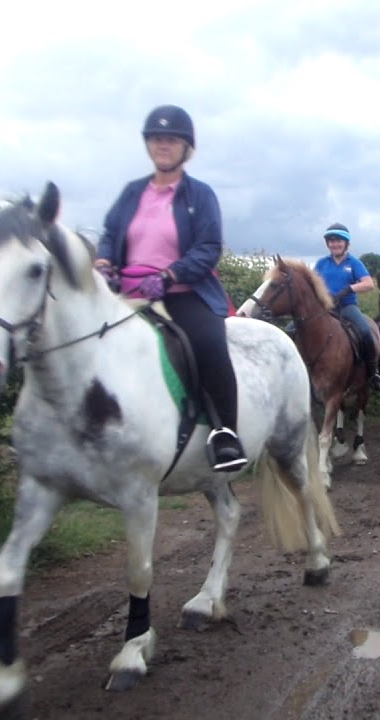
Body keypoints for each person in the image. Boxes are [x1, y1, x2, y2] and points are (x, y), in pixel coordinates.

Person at [94, 104, 247, 473]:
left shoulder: (200, 196)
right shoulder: (132, 193)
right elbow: (111, 234)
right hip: (126, 294)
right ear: (149, 145)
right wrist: (104, 265)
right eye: (157, 139)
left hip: (181, 294)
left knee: (209, 341)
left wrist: (169, 276)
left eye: (172, 140)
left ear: (186, 148)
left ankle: (225, 432)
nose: (163, 145)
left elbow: (209, 248)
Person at [314, 223, 380, 391]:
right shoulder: (322, 263)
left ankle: (372, 372)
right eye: (331, 241)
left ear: (346, 243)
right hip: (325, 309)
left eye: (338, 240)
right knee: (292, 329)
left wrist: (348, 290)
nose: (335, 244)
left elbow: (368, 284)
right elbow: (312, 284)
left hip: (347, 306)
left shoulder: (354, 263)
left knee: (365, 332)